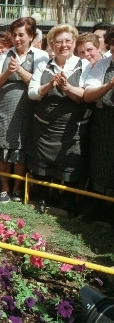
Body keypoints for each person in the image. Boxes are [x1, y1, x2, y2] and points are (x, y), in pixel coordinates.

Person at [27, 24, 91, 216]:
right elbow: (32, 93)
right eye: (58, 42)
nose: (63, 45)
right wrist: (50, 85)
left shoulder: (84, 65)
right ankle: (43, 199)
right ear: (52, 44)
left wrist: (66, 87)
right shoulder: (43, 65)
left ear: (73, 43)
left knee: (70, 163)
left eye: (68, 41)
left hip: (71, 127)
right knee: (42, 164)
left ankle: (69, 204)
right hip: (44, 126)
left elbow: (85, 95)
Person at [0, 17, 49, 203]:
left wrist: (19, 70)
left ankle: (17, 189)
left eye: (21, 35)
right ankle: (5, 188)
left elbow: (40, 84)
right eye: (14, 35)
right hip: (3, 109)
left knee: (19, 150)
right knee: (2, 148)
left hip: (25, 109)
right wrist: (7, 72)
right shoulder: (6, 55)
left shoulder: (40, 56)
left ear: (31, 36)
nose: (17, 39)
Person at [82, 28, 114, 225]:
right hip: (104, 121)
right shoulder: (103, 64)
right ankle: (99, 209)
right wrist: (109, 86)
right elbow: (88, 95)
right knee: (102, 165)